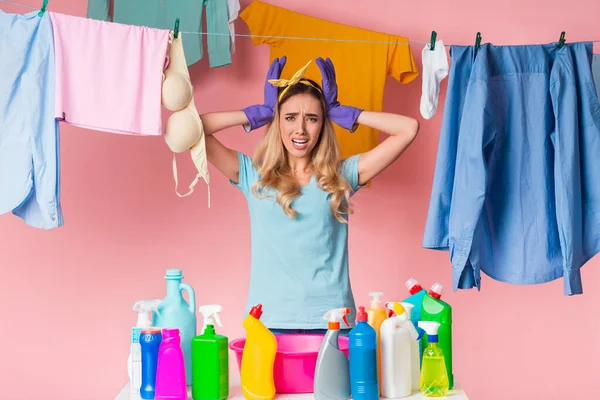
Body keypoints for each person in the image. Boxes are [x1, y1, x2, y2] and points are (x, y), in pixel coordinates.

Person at [200, 56, 419, 335]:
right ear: (277, 122)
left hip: (332, 321)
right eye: (290, 117)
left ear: (322, 124)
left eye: (312, 118)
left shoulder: (341, 176)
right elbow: (192, 129)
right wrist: (257, 113)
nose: (300, 129)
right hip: (268, 322)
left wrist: (347, 114)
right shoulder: (252, 175)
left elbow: (408, 129)